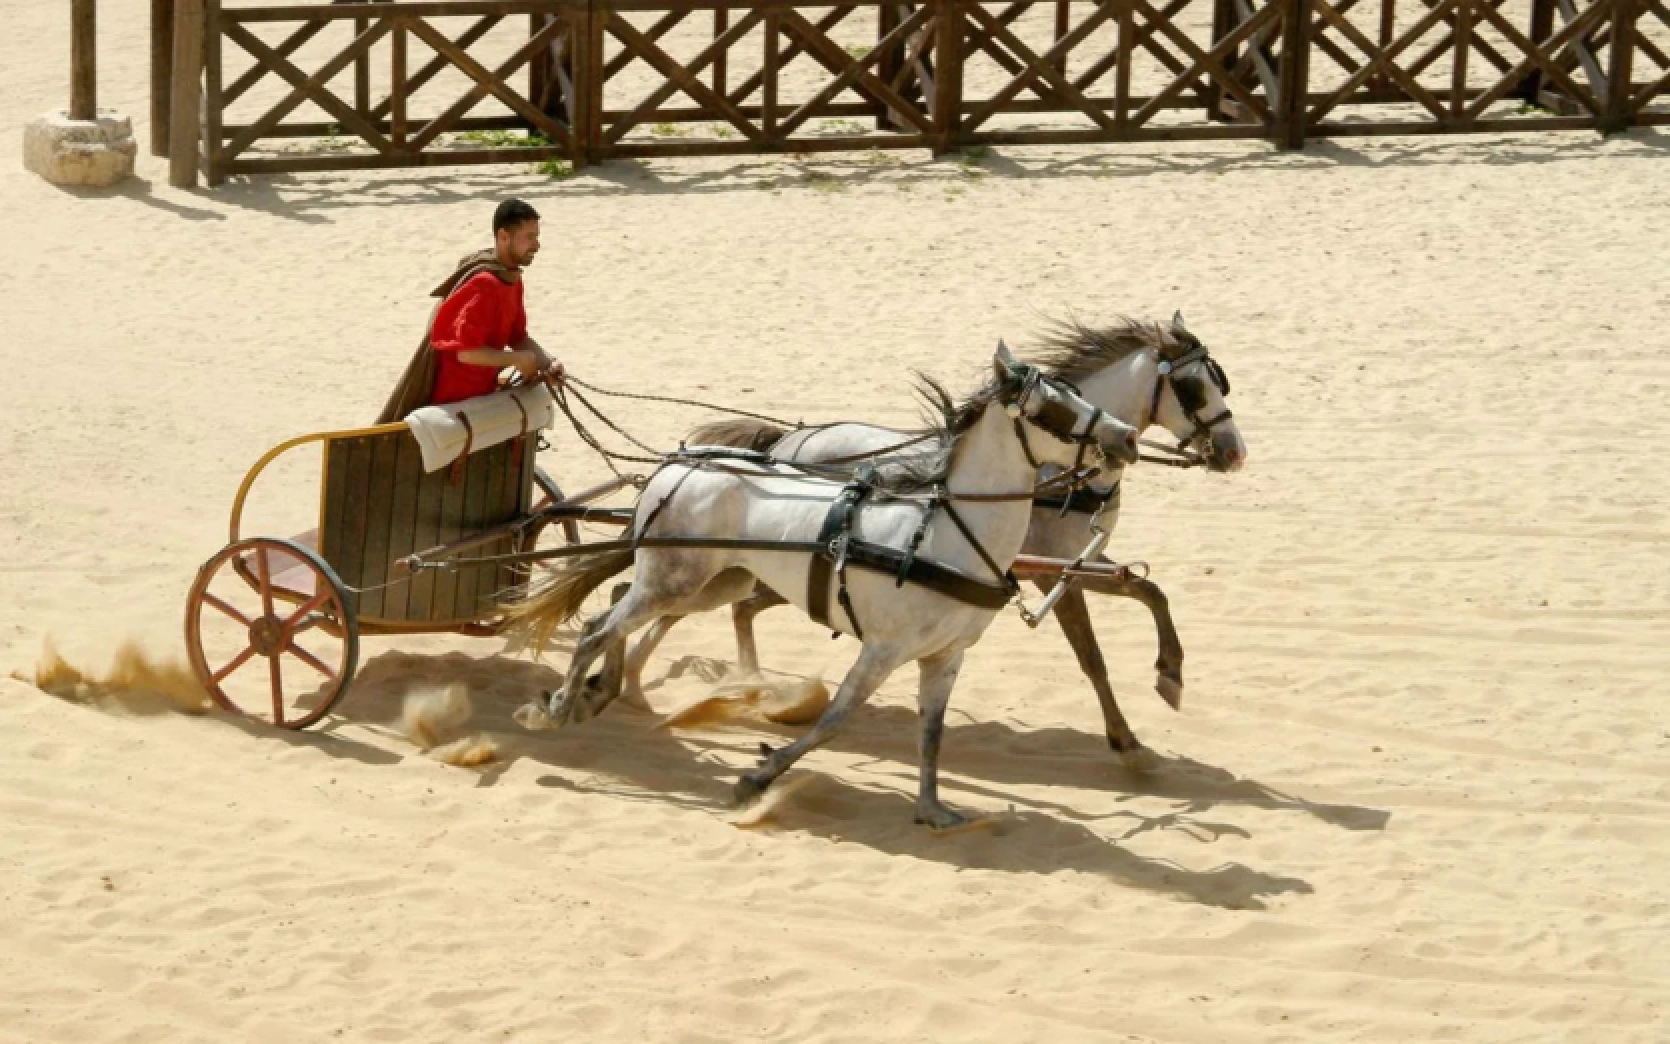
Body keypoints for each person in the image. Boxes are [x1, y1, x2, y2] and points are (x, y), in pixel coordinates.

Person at [375, 199, 564, 422]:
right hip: (455, 401)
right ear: (504, 237)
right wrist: (516, 359)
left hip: (483, 392)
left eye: (537, 237)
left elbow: (517, 336)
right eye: (530, 237)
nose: (536, 245)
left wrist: (547, 362)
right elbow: (467, 353)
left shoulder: (511, 279)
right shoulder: (484, 285)